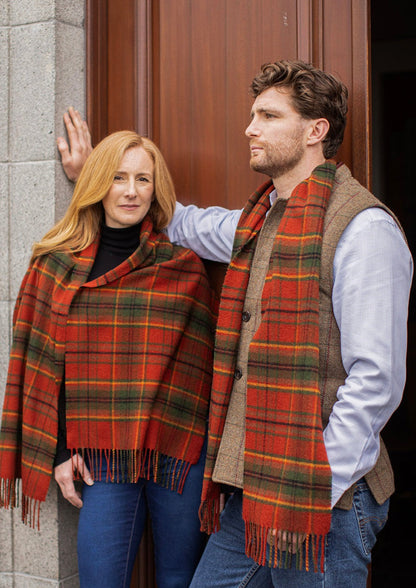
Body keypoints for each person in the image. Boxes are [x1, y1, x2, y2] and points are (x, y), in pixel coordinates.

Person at [55, 60, 412, 587]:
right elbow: (187, 221)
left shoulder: (364, 228)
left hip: (325, 498)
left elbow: (376, 382)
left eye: (268, 115)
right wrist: (96, 175)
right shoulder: (260, 221)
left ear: (315, 131)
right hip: (254, 488)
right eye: (252, 115)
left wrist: (313, 485)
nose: (250, 128)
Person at [0, 130, 216, 588]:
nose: (132, 190)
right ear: (98, 183)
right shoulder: (55, 264)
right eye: (118, 177)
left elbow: (202, 372)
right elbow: (45, 370)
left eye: (143, 178)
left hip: (176, 449)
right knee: (100, 577)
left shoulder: (182, 267)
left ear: (156, 189)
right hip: (100, 454)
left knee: (181, 579)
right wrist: (59, 449)